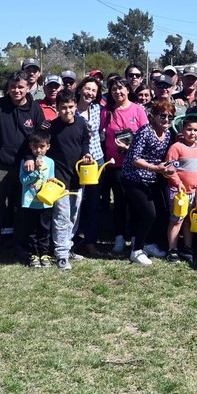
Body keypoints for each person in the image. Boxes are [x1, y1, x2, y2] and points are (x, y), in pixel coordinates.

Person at [0, 70, 48, 263]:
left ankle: (21, 246)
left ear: (27, 87)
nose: (16, 90)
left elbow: (41, 137)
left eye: (20, 87)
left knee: (24, 208)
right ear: (8, 87)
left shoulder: (35, 109)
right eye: (13, 87)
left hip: (28, 166)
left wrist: (34, 158)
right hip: (1, 164)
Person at [121, 98, 176, 265]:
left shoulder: (168, 134)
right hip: (134, 178)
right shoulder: (145, 131)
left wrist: (167, 168)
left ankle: (149, 243)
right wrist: (155, 168)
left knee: (161, 212)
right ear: (153, 116)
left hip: (154, 179)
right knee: (148, 213)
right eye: (163, 116)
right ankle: (136, 250)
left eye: (170, 117)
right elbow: (134, 158)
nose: (166, 120)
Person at [100, 76, 149, 254]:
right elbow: (98, 132)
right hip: (115, 164)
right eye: (113, 89)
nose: (118, 92)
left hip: (135, 164)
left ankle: (135, 237)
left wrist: (130, 147)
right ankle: (119, 237)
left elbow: (146, 136)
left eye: (121, 88)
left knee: (135, 202)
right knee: (119, 201)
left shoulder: (138, 110)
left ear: (128, 90)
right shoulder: (107, 111)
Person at [46, 90, 93, 270]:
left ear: (76, 106)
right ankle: (61, 253)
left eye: (71, 107)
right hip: (59, 180)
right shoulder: (51, 127)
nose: (68, 111)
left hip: (78, 178)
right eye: (63, 108)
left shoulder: (81, 123)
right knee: (61, 217)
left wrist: (86, 154)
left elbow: (84, 143)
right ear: (57, 108)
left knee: (74, 215)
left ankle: (69, 245)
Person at [165, 115, 197, 263]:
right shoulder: (176, 147)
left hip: (192, 192)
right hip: (178, 192)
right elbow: (170, 168)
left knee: (188, 220)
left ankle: (187, 247)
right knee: (176, 220)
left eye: (195, 130)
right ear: (182, 130)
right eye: (189, 129)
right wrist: (177, 182)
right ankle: (172, 249)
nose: (192, 133)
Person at [18, 130, 58, 268]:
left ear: (48, 146)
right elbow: (23, 180)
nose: (38, 150)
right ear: (30, 146)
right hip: (30, 202)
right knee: (31, 230)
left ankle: (45, 253)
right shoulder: (26, 162)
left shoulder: (50, 162)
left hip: (45, 203)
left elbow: (50, 179)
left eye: (41, 147)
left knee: (45, 229)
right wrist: (35, 171)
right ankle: (33, 254)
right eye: (35, 147)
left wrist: (52, 181)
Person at [75, 76, 105, 256]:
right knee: (75, 202)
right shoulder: (71, 109)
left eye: (94, 91)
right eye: (87, 89)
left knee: (93, 203)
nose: (90, 93)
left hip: (96, 162)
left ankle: (90, 241)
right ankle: (71, 241)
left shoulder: (97, 109)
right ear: (80, 90)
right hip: (77, 162)